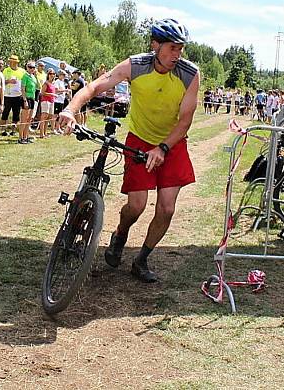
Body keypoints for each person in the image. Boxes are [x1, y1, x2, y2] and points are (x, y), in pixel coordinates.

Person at [59, 18, 199, 283]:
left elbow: (185, 121)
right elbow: (94, 87)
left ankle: (142, 258)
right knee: (136, 205)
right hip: (140, 139)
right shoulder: (135, 65)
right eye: (172, 48)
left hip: (173, 142)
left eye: (181, 49)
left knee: (166, 208)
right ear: (155, 45)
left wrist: (164, 147)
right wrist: (70, 109)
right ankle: (121, 234)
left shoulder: (190, 74)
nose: (177, 55)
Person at [1, 55, 25, 137]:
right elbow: (2, 82)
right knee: (5, 112)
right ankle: (3, 130)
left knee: (16, 113)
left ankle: (13, 130)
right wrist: (9, 81)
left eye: (13, 62)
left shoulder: (22, 71)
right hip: (7, 95)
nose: (11, 63)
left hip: (18, 95)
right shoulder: (6, 70)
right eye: (10, 62)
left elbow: (25, 81)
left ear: (17, 62)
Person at [19, 61, 39, 144]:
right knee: (24, 119)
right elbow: (23, 89)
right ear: (27, 68)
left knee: (29, 119)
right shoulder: (25, 76)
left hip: (32, 98)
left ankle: (25, 136)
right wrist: (25, 100)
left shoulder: (33, 77)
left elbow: (38, 87)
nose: (32, 69)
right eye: (30, 67)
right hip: (26, 98)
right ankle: (20, 138)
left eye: (33, 67)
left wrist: (36, 76)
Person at [38, 69, 57, 138]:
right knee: (44, 117)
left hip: (52, 101)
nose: (52, 75)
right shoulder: (46, 83)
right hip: (46, 101)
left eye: (53, 74)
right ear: (48, 75)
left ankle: (45, 133)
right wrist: (52, 94)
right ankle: (41, 134)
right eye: (50, 74)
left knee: (49, 117)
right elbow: (42, 93)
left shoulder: (53, 83)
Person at [53, 70, 69, 134]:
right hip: (57, 100)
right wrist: (65, 90)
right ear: (59, 75)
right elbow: (56, 91)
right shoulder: (57, 82)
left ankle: (58, 127)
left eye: (64, 75)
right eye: (63, 75)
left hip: (61, 100)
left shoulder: (62, 82)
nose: (64, 77)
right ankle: (53, 128)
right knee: (55, 115)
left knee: (59, 115)